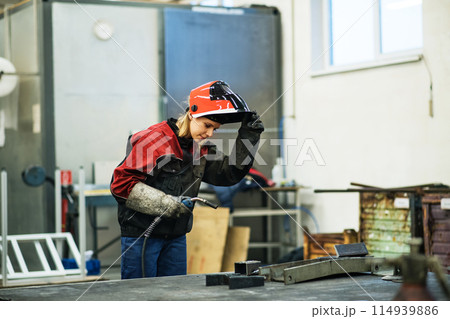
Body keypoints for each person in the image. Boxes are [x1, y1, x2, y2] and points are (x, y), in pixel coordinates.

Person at [110, 80, 264, 279]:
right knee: (142, 298)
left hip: (175, 236)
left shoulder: (200, 148)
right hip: (142, 236)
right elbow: (121, 184)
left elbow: (229, 173)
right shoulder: (155, 140)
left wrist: (249, 136)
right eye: (207, 125)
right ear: (192, 114)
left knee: (176, 296)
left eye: (214, 129)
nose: (210, 133)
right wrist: (166, 203)